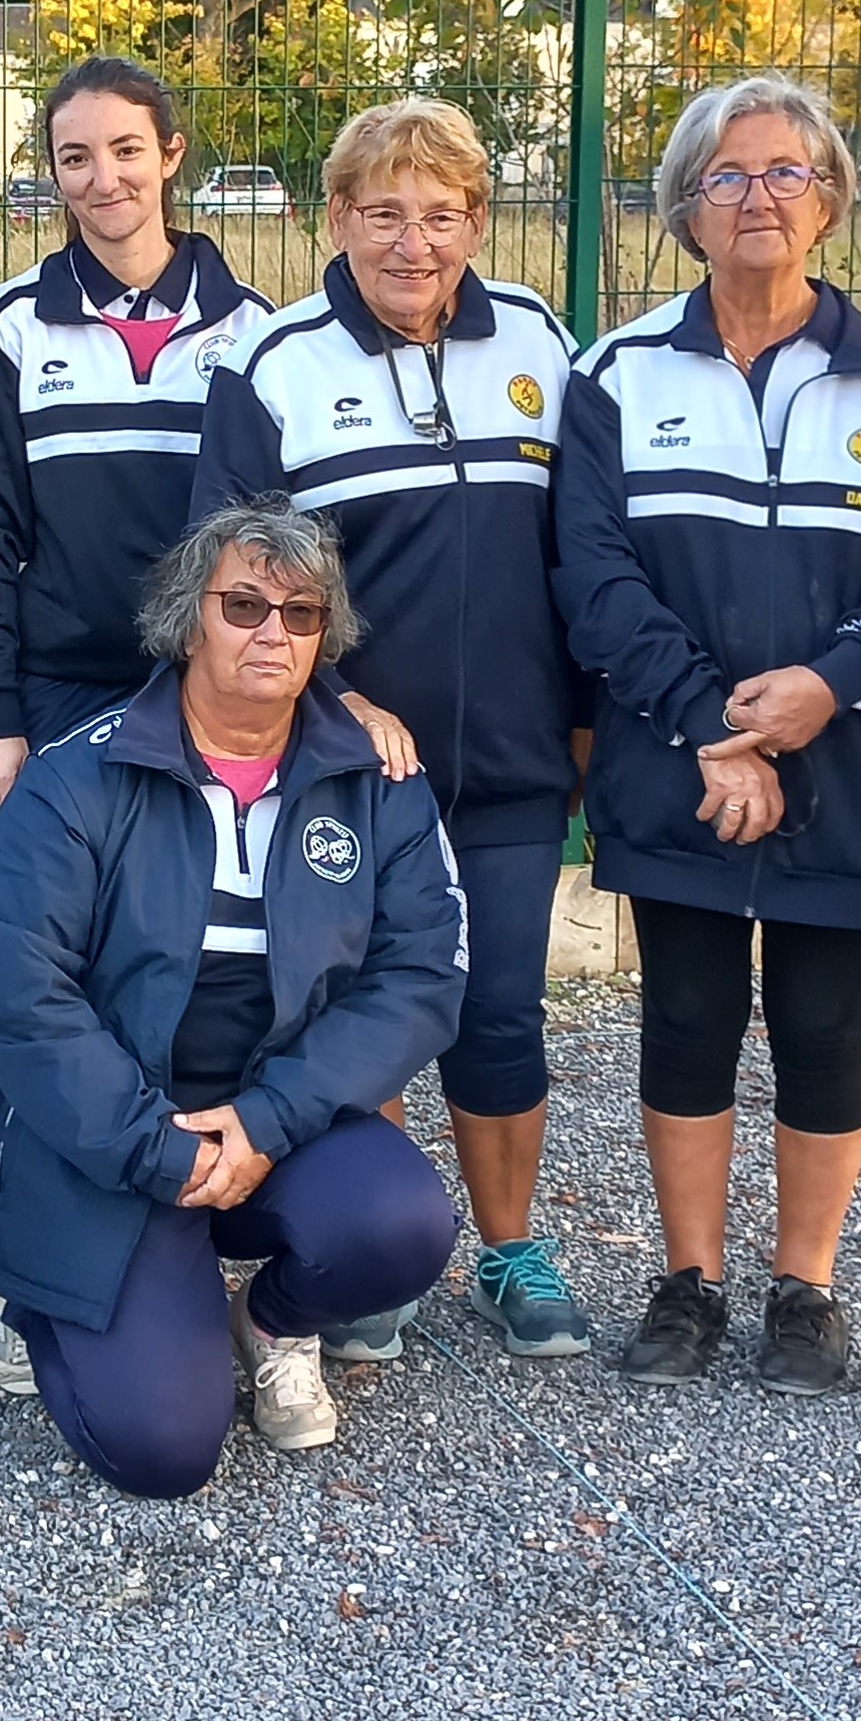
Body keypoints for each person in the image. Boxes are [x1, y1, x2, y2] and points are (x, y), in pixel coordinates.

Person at [555, 74, 861, 1397]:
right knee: (680, 1014)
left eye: (784, 172)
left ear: (829, 198)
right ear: (683, 206)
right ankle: (688, 1283)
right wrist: (708, 731)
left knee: (821, 1018)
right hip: (674, 762)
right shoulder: (615, 374)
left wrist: (828, 684)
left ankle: (804, 1288)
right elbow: (593, 576)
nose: (755, 197)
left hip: (844, 763)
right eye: (724, 176)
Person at [194, 95, 592, 1365]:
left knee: (498, 1010)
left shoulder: (538, 341)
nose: (412, 241)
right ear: (335, 219)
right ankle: (368, 1250)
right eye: (383, 212)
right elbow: (231, 572)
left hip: (518, 762)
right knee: (357, 1013)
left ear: (477, 220)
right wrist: (330, 700)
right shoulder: (278, 364)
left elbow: (584, 548)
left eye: (439, 213)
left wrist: (587, 721)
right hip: (350, 765)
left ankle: (509, 1247)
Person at [0, 502, 465, 1498]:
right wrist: (163, 1149)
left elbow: (421, 974)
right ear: (186, 616)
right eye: (243, 604)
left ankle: (273, 1320)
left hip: (280, 1113)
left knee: (402, 1223)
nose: (272, 632)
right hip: (111, 1129)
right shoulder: (75, 776)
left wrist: (267, 1121)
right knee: (164, 1446)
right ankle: (32, 1277)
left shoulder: (380, 781)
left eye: (301, 611)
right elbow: (25, 998)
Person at [0, 57, 277, 797]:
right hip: (60, 687)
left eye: (126, 149)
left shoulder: (254, 329)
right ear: (55, 174)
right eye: (76, 158)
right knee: (70, 913)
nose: (104, 178)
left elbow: (272, 534)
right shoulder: (12, 327)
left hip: (211, 687)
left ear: (170, 155)